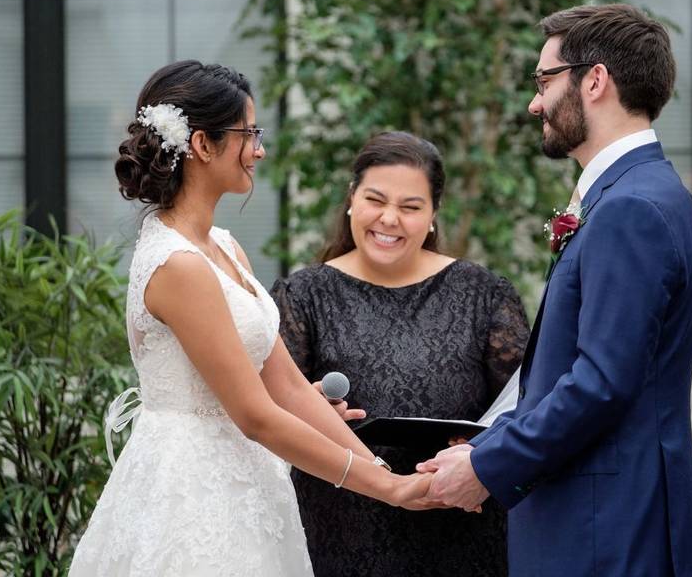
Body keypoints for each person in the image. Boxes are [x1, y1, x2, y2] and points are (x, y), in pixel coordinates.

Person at [68, 61, 434, 576]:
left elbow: (284, 384)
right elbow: (256, 414)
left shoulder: (222, 246)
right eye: (249, 133)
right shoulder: (178, 265)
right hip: (192, 495)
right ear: (201, 144)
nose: (259, 150)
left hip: (249, 485)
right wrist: (389, 490)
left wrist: (380, 470)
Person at [418, 3, 692, 576]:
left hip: (606, 529)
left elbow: (601, 384)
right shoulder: (639, 192)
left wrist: (487, 466)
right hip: (608, 517)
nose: (534, 102)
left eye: (544, 80)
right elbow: (566, 372)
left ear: (594, 80)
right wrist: (484, 445)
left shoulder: (630, 208)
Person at [270, 131, 529, 577]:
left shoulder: (483, 294)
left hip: (458, 522)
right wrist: (311, 404)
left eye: (410, 207)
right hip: (340, 526)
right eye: (375, 200)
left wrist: (482, 446)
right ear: (352, 199)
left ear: (432, 216)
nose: (389, 219)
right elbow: (270, 410)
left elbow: (525, 404)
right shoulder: (302, 295)